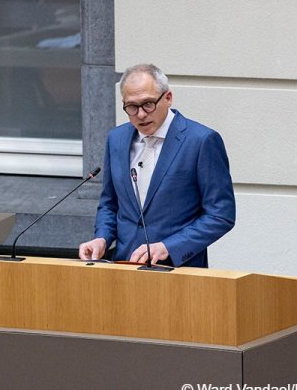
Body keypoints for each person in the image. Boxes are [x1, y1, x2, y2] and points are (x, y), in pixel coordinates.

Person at [78, 64, 235, 268]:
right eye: (132, 107)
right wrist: (102, 238)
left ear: (168, 98)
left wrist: (168, 246)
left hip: (177, 270)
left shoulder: (201, 141)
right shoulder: (116, 139)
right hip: (123, 266)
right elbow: (110, 203)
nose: (141, 114)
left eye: (148, 104)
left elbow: (220, 215)